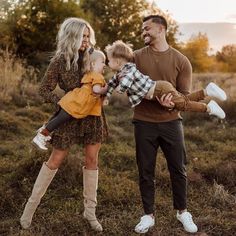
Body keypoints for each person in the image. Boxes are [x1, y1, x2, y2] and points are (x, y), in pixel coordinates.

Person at [20, 18, 108, 232]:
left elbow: (101, 81)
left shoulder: (93, 56)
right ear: (72, 37)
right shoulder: (60, 61)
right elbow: (44, 90)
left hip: (93, 118)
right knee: (55, 160)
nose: (86, 40)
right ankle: (29, 210)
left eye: (88, 36)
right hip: (68, 118)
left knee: (92, 160)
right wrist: (62, 103)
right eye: (82, 36)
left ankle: (90, 213)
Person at [129, 14, 205, 234]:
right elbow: (129, 88)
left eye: (147, 28)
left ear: (161, 29)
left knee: (178, 169)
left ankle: (182, 212)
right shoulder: (135, 57)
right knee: (145, 170)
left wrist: (172, 104)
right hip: (143, 122)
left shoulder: (181, 60)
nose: (143, 32)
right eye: (142, 29)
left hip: (172, 123)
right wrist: (152, 97)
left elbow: (184, 97)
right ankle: (148, 215)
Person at [105, 40, 227, 120]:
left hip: (160, 90)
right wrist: (106, 95)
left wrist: (119, 89)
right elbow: (111, 83)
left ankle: (209, 108)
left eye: (108, 60)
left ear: (117, 60)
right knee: (182, 101)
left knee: (182, 105)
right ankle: (206, 92)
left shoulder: (129, 69)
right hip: (159, 88)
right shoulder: (120, 73)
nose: (107, 63)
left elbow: (124, 85)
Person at [32, 49, 107, 150]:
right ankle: (41, 135)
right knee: (60, 119)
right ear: (93, 64)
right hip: (76, 103)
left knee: (59, 118)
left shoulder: (89, 73)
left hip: (73, 99)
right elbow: (96, 89)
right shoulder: (98, 76)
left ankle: (43, 133)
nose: (104, 64)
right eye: (102, 62)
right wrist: (107, 88)